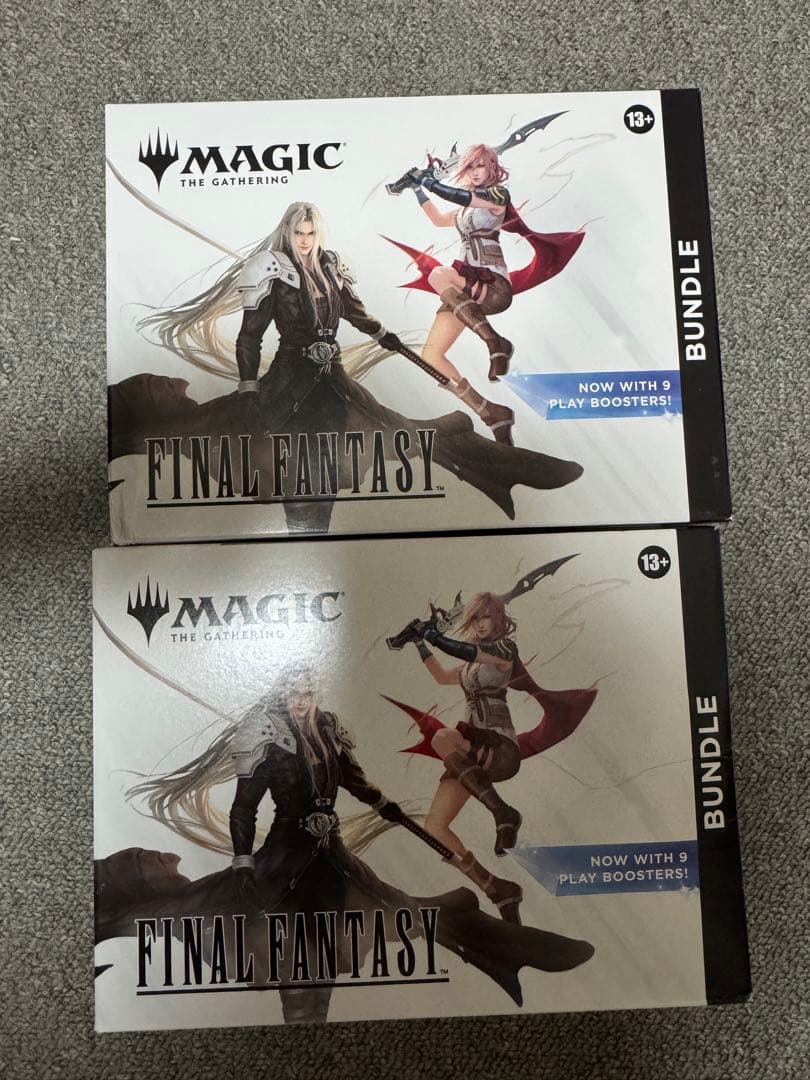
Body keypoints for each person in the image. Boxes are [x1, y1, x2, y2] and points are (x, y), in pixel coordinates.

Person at [116, 665, 594, 1022]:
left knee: (398, 910)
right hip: (284, 855)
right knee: (284, 932)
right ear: (283, 694)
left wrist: (384, 804)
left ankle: (511, 946)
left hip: (330, 852)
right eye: (294, 694)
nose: (301, 702)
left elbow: (351, 778)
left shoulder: (327, 728)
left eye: (308, 694)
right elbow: (244, 809)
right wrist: (243, 861)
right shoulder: (264, 735)